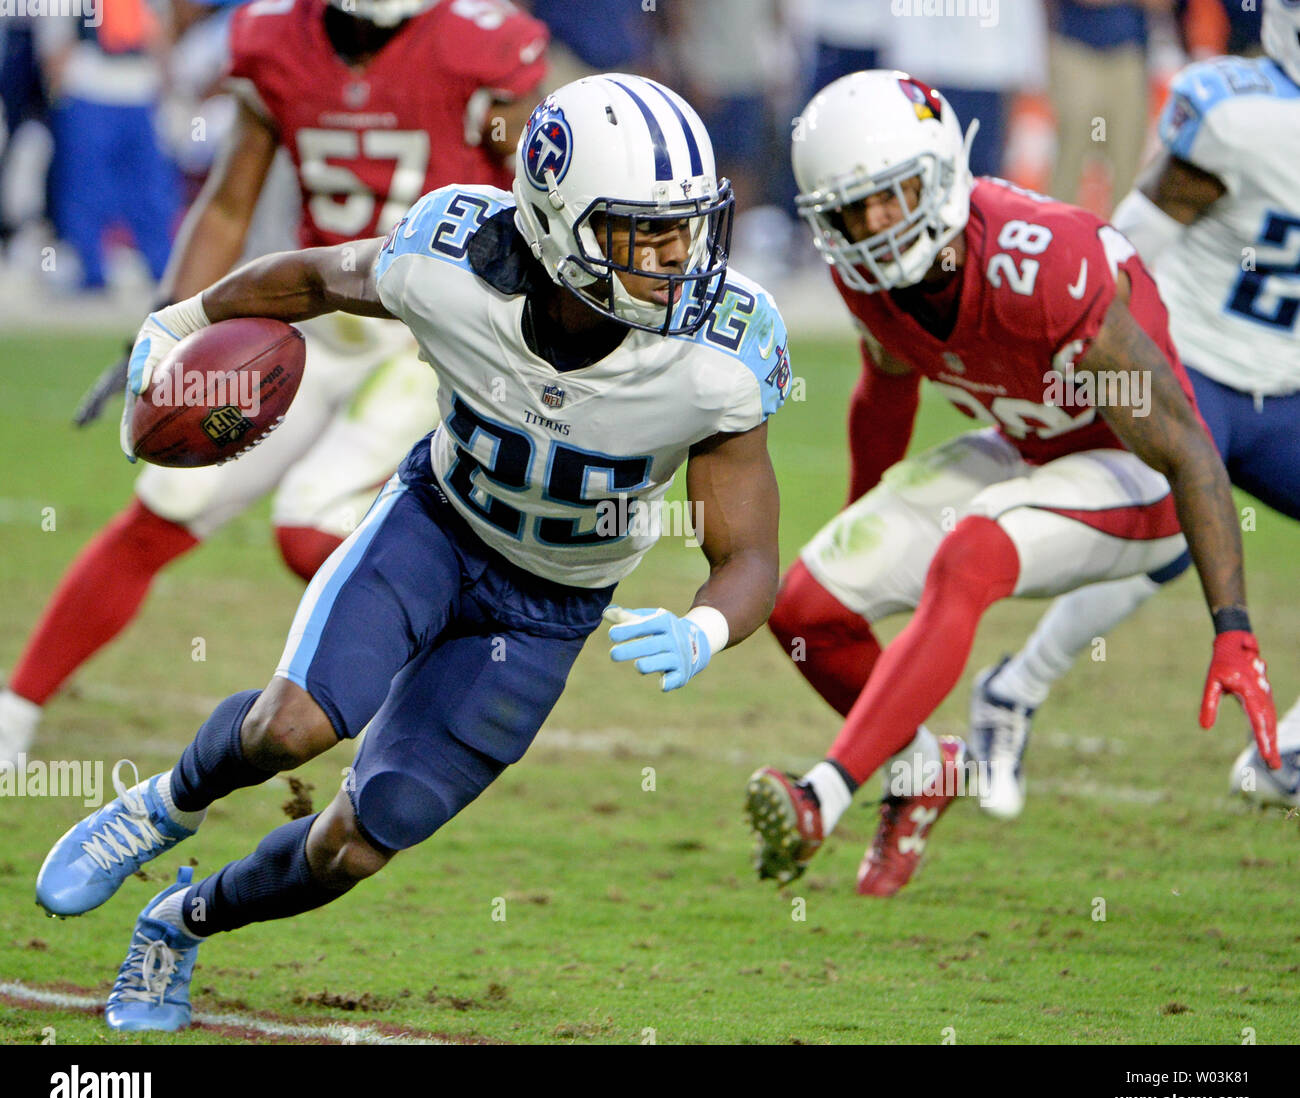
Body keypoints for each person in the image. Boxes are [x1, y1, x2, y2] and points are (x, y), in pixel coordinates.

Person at [35, 74, 789, 1031]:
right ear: (557, 225)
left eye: (691, 227)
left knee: (360, 838)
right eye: (647, 234)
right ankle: (161, 807)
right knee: (290, 728)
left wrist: (707, 627)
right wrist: (185, 319)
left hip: (548, 610)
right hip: (434, 523)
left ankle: (179, 920)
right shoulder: (453, 261)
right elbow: (312, 278)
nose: (683, 260)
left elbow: (749, 551)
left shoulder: (724, 355)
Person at [745, 69, 1277, 897]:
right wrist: (863, 516)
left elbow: (1190, 450)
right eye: (854, 210)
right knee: (809, 605)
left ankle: (823, 794)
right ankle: (925, 769)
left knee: (972, 553)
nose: (877, 227)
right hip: (1030, 442)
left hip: (1139, 475)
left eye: (894, 196)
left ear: (940, 172)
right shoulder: (868, 274)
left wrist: (1234, 630)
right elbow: (885, 387)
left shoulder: (1043, 268)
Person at [0, 0, 548, 773]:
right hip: (316, 318)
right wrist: (169, 328)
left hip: (430, 338)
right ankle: (15, 708)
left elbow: (536, 206)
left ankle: (471, 640)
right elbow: (229, 203)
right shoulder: (274, 37)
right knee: (165, 506)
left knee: (308, 523)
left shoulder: (482, 45)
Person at [968, 0, 1300, 818]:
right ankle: (1015, 687)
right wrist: (1080, 362)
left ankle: (1285, 753)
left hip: (1286, 383)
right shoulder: (1239, 113)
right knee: (1160, 539)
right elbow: (1128, 243)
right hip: (1193, 370)